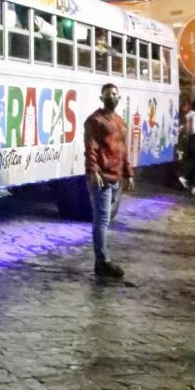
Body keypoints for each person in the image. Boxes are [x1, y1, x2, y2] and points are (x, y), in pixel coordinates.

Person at [84, 83, 134, 278]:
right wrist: (93, 170)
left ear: (119, 98)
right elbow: (91, 148)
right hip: (102, 178)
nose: (111, 97)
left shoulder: (120, 122)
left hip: (116, 177)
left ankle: (101, 261)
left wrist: (128, 173)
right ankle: (102, 261)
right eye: (107, 95)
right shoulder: (95, 121)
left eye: (114, 94)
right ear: (101, 98)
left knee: (103, 219)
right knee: (102, 220)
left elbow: (123, 150)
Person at [178, 99, 195, 196]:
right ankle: (187, 178)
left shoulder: (188, 115)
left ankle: (193, 184)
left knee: (193, 161)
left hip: (189, 140)